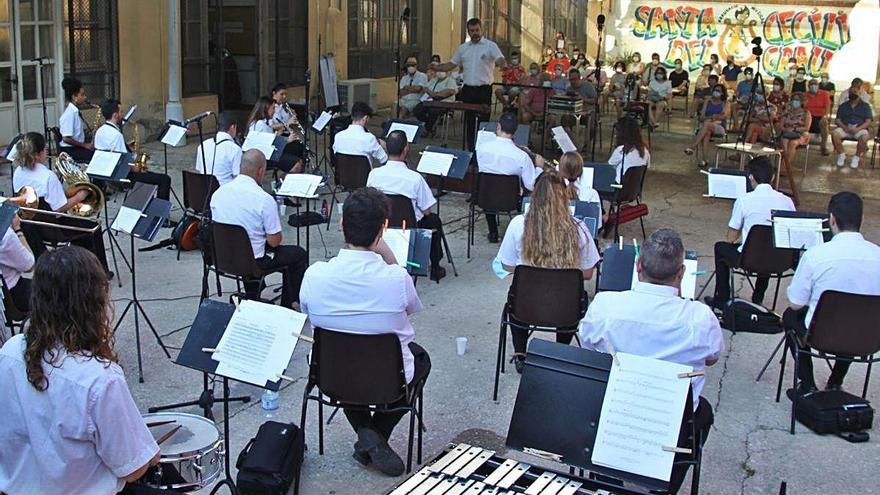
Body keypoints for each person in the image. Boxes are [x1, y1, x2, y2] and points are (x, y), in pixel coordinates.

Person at [0, 246, 160, 494]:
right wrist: (150, 455)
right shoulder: (99, 378)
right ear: (94, 303)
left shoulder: (10, 352)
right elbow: (132, 470)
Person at [579, 228, 723, 494]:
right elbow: (712, 358)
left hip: (612, 409)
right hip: (671, 419)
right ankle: (664, 488)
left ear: (637, 266)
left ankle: (607, 483)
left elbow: (588, 347)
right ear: (681, 274)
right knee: (701, 412)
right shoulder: (701, 318)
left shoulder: (605, 305)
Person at [300, 187, 431, 477]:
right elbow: (410, 308)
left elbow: (308, 314)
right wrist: (386, 253)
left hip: (330, 375)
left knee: (348, 358)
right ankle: (374, 435)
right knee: (420, 360)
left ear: (342, 224)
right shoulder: (396, 277)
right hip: (386, 379)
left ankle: (367, 435)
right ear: (383, 229)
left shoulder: (314, 275)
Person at [498, 172, 600, 372]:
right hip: (565, 309)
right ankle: (560, 350)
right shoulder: (579, 228)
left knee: (517, 293)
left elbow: (507, 266)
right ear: (565, 197)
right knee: (571, 294)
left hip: (526, 306)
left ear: (534, 195)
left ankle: (521, 353)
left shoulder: (518, 224)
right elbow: (587, 274)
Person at [784, 192, 880, 396]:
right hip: (867, 337)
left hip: (821, 335)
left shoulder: (816, 255)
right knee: (855, 319)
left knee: (790, 316)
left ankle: (807, 384)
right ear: (861, 220)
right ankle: (836, 381)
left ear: (831, 220)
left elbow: (795, 304)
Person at [210, 150, 308, 309]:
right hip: (253, 261)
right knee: (298, 255)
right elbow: (275, 241)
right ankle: (288, 305)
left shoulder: (218, 193)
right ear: (261, 171)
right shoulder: (263, 199)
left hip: (223, 256)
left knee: (251, 245)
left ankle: (252, 292)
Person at [12, 132, 111, 275]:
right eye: (45, 149)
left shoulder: (18, 172)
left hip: (32, 225)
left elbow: (40, 198)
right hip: (53, 228)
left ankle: (80, 267)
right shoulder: (47, 176)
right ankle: (101, 272)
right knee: (93, 227)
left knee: (80, 225)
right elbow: (59, 209)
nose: (47, 151)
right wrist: (80, 196)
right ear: (40, 154)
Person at [704, 157, 795, 310]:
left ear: (751, 177)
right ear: (772, 177)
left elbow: (731, 238)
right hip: (780, 260)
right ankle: (758, 297)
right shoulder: (787, 201)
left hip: (750, 259)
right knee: (769, 246)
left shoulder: (744, 200)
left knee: (721, 248)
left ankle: (722, 297)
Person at [366, 131, 447, 282]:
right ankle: (435, 266)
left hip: (382, 224)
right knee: (434, 220)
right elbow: (426, 210)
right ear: (406, 149)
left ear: (386, 150)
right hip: (409, 225)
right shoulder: (415, 178)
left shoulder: (374, 174)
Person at [436, 18, 506, 150]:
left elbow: (500, 58)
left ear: (482, 30)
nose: (475, 33)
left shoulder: (490, 46)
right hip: (468, 89)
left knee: (483, 122)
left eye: (477, 30)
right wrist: (436, 68)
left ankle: (483, 150)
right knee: (469, 121)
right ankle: (470, 151)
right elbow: (451, 64)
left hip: (484, 89)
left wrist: (503, 65)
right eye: (472, 31)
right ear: (468, 32)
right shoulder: (463, 48)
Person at [476, 112, 544, 243]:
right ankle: (521, 232)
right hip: (510, 201)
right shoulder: (521, 156)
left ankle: (493, 232)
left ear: (498, 127)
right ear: (516, 131)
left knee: (490, 186)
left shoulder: (481, 148)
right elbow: (530, 185)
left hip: (484, 198)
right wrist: (539, 167)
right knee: (527, 191)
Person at [93, 99, 173, 201]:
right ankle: (160, 214)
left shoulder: (100, 131)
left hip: (106, 174)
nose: (122, 114)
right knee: (164, 179)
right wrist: (138, 168)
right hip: (121, 177)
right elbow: (124, 164)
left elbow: (109, 150)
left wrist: (127, 147)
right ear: (115, 115)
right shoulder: (116, 135)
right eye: (120, 112)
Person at [245, 96, 303, 174]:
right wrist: (287, 140)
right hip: (265, 156)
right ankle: (285, 180)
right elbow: (269, 144)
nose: (274, 111)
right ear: (266, 109)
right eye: (273, 108)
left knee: (296, 147)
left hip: (267, 153)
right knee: (296, 163)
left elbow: (267, 138)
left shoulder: (260, 122)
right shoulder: (260, 124)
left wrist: (278, 134)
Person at [686, 83, 729, 167]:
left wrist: (712, 118)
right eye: (715, 90)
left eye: (718, 91)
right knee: (707, 133)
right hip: (707, 125)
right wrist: (712, 117)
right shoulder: (707, 102)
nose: (716, 92)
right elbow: (701, 117)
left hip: (720, 127)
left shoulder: (725, 103)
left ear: (722, 93)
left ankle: (693, 147)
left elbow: (723, 117)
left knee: (706, 124)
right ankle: (704, 160)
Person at [332, 102, 388, 166]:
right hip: (364, 175)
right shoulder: (370, 138)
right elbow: (384, 160)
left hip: (342, 175)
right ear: (365, 118)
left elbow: (337, 158)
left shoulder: (338, 137)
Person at [195, 111, 243, 185]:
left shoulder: (202, 145)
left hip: (204, 191)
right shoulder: (235, 149)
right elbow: (238, 177)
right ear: (233, 127)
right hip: (226, 192)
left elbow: (200, 170)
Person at [0, 211, 34, 312]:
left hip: (5, 296)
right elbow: (30, 266)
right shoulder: (6, 236)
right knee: (58, 291)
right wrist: (18, 229)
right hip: (15, 296)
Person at [831, 88, 873, 169]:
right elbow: (838, 120)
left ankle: (856, 157)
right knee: (834, 134)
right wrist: (844, 127)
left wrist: (858, 129)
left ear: (859, 94)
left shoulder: (865, 106)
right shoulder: (843, 106)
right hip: (845, 128)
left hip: (859, 129)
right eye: (850, 92)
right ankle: (841, 154)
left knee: (865, 137)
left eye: (855, 92)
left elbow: (868, 121)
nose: (852, 94)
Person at [58, 77, 94, 163]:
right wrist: (84, 145)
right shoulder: (70, 114)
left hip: (75, 148)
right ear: (74, 97)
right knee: (96, 157)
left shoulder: (74, 112)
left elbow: (75, 134)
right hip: (70, 151)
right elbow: (66, 138)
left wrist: (90, 129)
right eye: (82, 95)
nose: (85, 97)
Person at [412, 68, 458, 134]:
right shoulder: (434, 80)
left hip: (444, 102)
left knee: (433, 111)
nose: (440, 72)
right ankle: (429, 124)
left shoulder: (450, 81)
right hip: (430, 100)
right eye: (438, 71)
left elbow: (450, 91)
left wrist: (436, 94)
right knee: (417, 110)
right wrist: (431, 93)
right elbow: (426, 88)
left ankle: (427, 129)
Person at [609, 116, 651, 182]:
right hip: (634, 188)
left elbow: (610, 166)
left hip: (618, 187)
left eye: (616, 133)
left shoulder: (621, 150)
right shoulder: (645, 151)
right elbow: (647, 166)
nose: (615, 136)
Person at [778, 92, 812, 169]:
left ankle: (786, 166)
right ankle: (784, 164)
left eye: (797, 100)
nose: (794, 101)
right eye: (793, 99)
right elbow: (781, 125)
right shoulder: (787, 112)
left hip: (800, 134)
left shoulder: (806, 113)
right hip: (787, 133)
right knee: (784, 141)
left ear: (802, 102)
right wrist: (786, 129)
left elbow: (807, 128)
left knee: (793, 143)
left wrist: (794, 129)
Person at [560, 68, 598, 132]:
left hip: (587, 112)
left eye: (574, 79)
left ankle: (588, 140)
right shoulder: (569, 88)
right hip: (574, 113)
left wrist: (583, 99)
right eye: (570, 79)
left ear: (579, 78)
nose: (572, 81)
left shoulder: (588, 86)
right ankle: (568, 138)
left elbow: (595, 100)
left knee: (591, 121)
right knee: (564, 119)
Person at [805, 79, 832, 156]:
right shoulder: (805, 95)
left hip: (820, 117)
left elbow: (827, 107)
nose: (813, 86)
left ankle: (823, 147)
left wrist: (825, 116)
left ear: (818, 86)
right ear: (808, 86)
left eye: (815, 84)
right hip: (808, 116)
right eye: (811, 84)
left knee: (824, 123)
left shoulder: (824, 94)